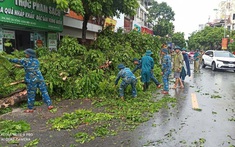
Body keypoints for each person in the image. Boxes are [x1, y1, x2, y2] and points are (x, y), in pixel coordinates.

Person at [8, 48, 53, 113]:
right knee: (44, 91)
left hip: (32, 80)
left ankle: (30, 108)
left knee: (31, 94)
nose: (25, 54)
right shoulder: (36, 61)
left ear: (29, 54)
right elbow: (31, 66)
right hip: (40, 78)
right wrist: (20, 66)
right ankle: (49, 105)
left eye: (26, 53)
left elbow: (15, 60)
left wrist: (6, 58)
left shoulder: (25, 60)